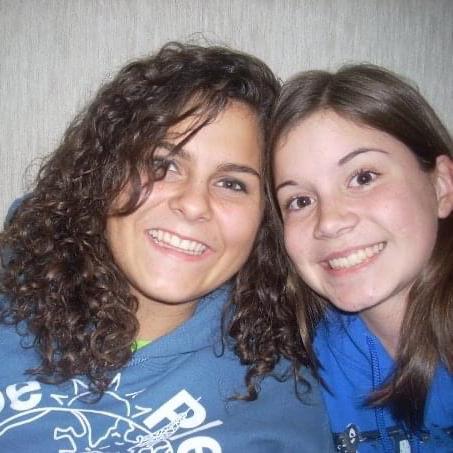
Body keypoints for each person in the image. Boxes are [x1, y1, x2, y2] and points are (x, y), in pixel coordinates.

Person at [0, 42, 334, 451]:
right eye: (164, 165)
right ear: (106, 172)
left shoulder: (284, 398)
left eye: (232, 184)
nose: (193, 204)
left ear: (265, 220)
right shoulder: (9, 302)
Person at [269, 64, 453, 452]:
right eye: (299, 201)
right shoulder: (301, 368)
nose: (329, 221)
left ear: (441, 185)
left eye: (363, 177)